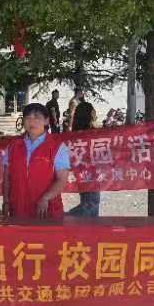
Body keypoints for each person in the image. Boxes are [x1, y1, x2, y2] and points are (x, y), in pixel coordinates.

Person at [3, 103, 70, 219]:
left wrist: (46, 198)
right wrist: (6, 202)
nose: (32, 122)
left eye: (37, 117)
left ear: (46, 121)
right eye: (28, 117)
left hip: (46, 211)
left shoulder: (58, 147)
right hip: (18, 210)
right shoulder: (13, 146)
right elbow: (7, 178)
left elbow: (62, 180)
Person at [67, 89, 101, 217]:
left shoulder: (80, 133)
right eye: (93, 112)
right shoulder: (88, 134)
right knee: (91, 203)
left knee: (90, 202)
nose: (95, 114)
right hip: (89, 171)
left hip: (87, 171)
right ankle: (66, 218)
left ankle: (90, 226)